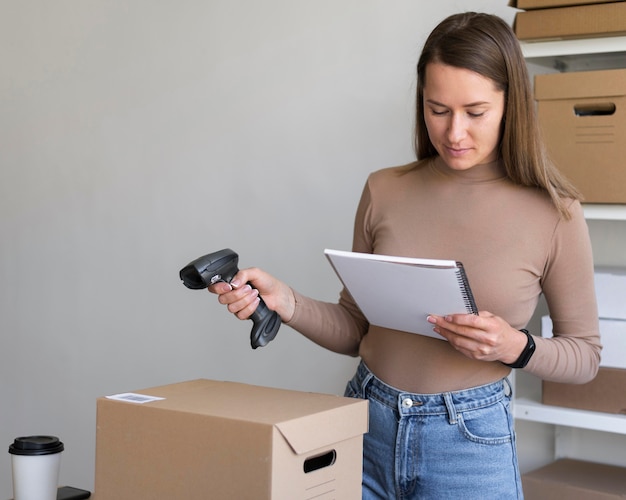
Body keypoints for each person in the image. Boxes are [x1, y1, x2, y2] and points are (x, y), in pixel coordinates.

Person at [209, 12, 601, 499]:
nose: (454, 132)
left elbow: (585, 356)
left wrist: (515, 347)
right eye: (438, 109)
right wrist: (285, 300)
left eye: (475, 112)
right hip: (366, 425)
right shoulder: (385, 190)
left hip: (470, 446)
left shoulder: (555, 213)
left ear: (510, 105)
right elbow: (356, 329)